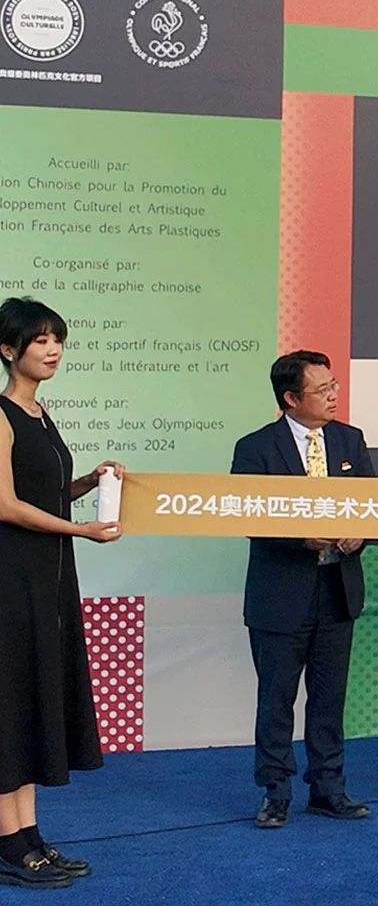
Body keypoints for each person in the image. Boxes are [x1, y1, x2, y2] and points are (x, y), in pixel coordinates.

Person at [0, 298, 121, 889]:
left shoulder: (40, 413)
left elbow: (41, 493)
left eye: (58, 340)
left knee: (29, 699)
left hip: (45, 578)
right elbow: (5, 505)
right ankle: (8, 845)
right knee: (9, 705)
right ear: (8, 350)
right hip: (10, 579)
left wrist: (89, 482)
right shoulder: (0, 415)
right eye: (41, 341)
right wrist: (81, 530)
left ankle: (29, 836)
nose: (53, 351)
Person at [232, 350, 375, 829]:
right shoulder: (255, 448)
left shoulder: (350, 440)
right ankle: (275, 793)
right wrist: (299, 538)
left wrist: (360, 532)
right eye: (322, 389)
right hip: (280, 593)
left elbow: (374, 504)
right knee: (276, 701)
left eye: (334, 386)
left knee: (329, 699)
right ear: (291, 399)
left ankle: (328, 789)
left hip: (337, 588)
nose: (334, 395)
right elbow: (246, 515)